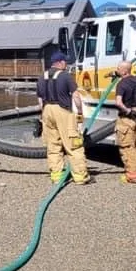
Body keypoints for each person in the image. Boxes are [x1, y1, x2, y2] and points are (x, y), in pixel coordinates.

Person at [42, 51, 92, 185]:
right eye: (65, 61)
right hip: (63, 110)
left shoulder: (43, 76)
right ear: (60, 62)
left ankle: (56, 176)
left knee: (53, 145)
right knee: (73, 144)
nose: (67, 64)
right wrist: (80, 111)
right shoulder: (66, 76)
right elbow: (75, 95)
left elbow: (39, 100)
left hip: (47, 110)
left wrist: (43, 115)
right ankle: (81, 176)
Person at [114, 60, 136, 183]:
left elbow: (118, 102)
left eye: (118, 68)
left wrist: (127, 111)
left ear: (124, 71)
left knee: (128, 148)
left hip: (126, 119)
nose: (117, 70)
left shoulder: (121, 84)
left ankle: (133, 176)